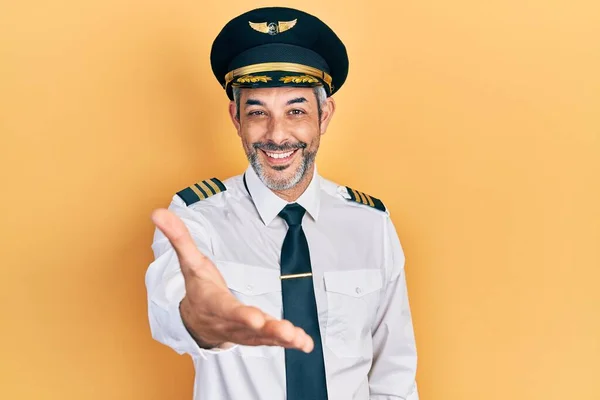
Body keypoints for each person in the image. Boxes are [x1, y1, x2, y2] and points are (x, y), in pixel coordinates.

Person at [145, 6, 419, 400]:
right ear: (235, 118)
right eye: (257, 112)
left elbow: (393, 374)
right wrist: (203, 320)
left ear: (323, 116)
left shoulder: (370, 223)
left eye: (296, 111)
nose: (277, 135)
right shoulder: (194, 217)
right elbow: (172, 308)